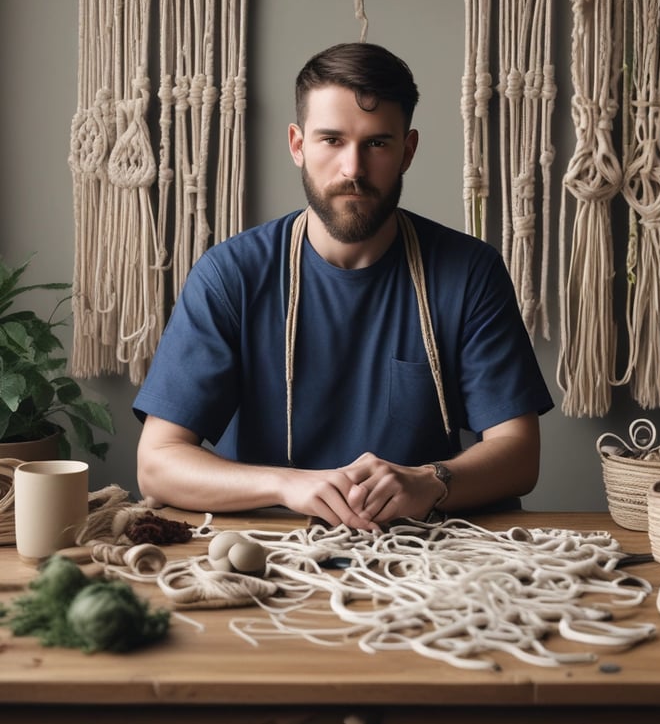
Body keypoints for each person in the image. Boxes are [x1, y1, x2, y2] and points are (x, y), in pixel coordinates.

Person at [134, 42, 553, 529]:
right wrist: (288, 485)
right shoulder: (231, 275)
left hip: (433, 551)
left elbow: (520, 455)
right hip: (271, 551)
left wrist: (430, 480)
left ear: (407, 151)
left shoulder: (469, 272)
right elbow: (157, 464)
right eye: (331, 140)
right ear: (297, 145)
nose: (352, 169)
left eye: (376, 143)